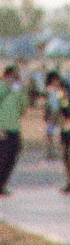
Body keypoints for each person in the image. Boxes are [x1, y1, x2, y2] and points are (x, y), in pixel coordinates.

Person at [0, 64, 24, 195]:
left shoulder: (17, 90)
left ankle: (2, 184)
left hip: (14, 127)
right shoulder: (2, 87)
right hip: (3, 128)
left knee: (12, 156)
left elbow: (23, 106)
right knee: (2, 157)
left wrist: (20, 91)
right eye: (12, 76)